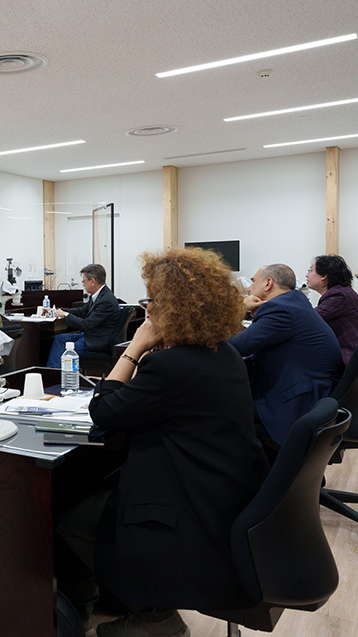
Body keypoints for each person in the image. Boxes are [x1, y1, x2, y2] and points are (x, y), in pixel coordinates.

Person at [57, 247, 268, 637]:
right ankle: (131, 599)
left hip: (186, 507)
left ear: (172, 308)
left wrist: (135, 347)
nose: (147, 308)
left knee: (69, 519)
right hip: (220, 493)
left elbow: (103, 411)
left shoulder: (171, 366)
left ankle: (148, 615)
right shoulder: (223, 354)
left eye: (151, 300)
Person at [230, 264, 343, 445]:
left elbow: (234, 347)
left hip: (294, 404)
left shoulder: (280, 310)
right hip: (312, 391)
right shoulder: (294, 302)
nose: (249, 288)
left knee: (217, 414)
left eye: (253, 281)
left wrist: (238, 310)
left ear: (268, 283)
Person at [306, 254, 358, 363]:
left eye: (311, 270)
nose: (307, 275)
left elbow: (308, 320)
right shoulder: (342, 292)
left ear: (323, 276)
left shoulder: (338, 296)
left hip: (354, 356)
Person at [45, 264, 121, 369]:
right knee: (59, 338)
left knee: (65, 351)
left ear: (92, 281)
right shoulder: (98, 296)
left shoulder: (106, 300)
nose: (83, 285)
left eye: (84, 282)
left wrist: (65, 315)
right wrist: (58, 311)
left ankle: (56, 374)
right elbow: (81, 312)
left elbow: (86, 324)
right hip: (90, 335)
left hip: (97, 341)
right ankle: (52, 371)